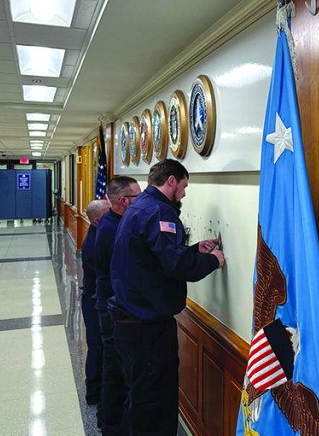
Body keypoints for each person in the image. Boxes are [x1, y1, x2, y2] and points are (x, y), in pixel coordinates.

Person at [109, 159, 226, 435]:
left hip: (130, 322)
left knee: (139, 399)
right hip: (145, 330)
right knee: (153, 404)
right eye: (184, 186)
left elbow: (155, 258)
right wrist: (214, 262)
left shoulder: (140, 207)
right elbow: (175, 266)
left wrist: (196, 250)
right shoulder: (159, 212)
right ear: (171, 181)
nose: (184, 193)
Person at [95, 176, 141, 436]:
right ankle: (112, 427)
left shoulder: (115, 222)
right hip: (113, 309)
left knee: (113, 368)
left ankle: (108, 420)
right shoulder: (114, 230)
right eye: (138, 196)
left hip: (110, 305)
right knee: (115, 371)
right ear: (124, 201)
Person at [81, 199, 110, 410]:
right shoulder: (94, 244)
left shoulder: (100, 234)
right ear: (98, 220)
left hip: (95, 299)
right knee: (97, 346)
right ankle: (94, 392)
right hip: (94, 302)